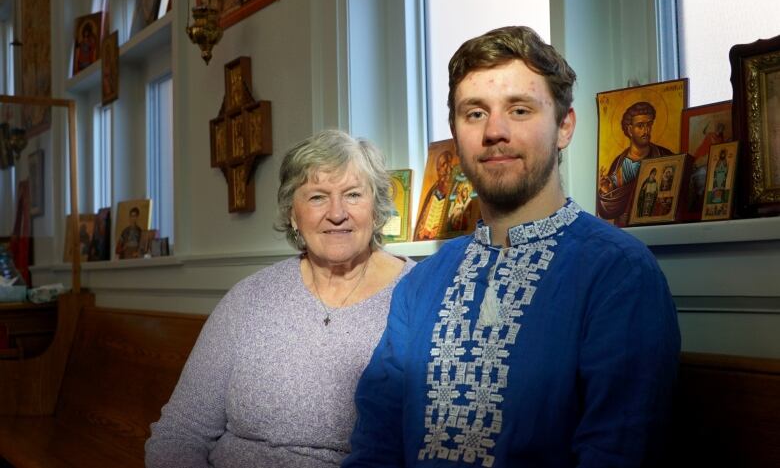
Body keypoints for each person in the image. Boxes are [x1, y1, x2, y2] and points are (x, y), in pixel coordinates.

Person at [344, 26, 680, 467]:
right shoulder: (420, 283)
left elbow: (618, 452)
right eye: (474, 113)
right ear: (456, 133)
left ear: (564, 126)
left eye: (519, 110)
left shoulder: (620, 275)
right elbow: (376, 444)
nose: (494, 132)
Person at [145, 130, 415, 467]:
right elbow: (182, 431)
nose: (336, 212)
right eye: (317, 197)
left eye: (353, 194)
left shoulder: (418, 296)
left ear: (376, 209)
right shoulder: (249, 298)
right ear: (292, 214)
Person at [597, 101, 674, 226]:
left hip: (658, 228)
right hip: (625, 231)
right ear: (630, 129)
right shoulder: (619, 164)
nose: (646, 131)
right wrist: (606, 192)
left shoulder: (664, 155)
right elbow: (607, 210)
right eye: (640, 126)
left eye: (649, 125)